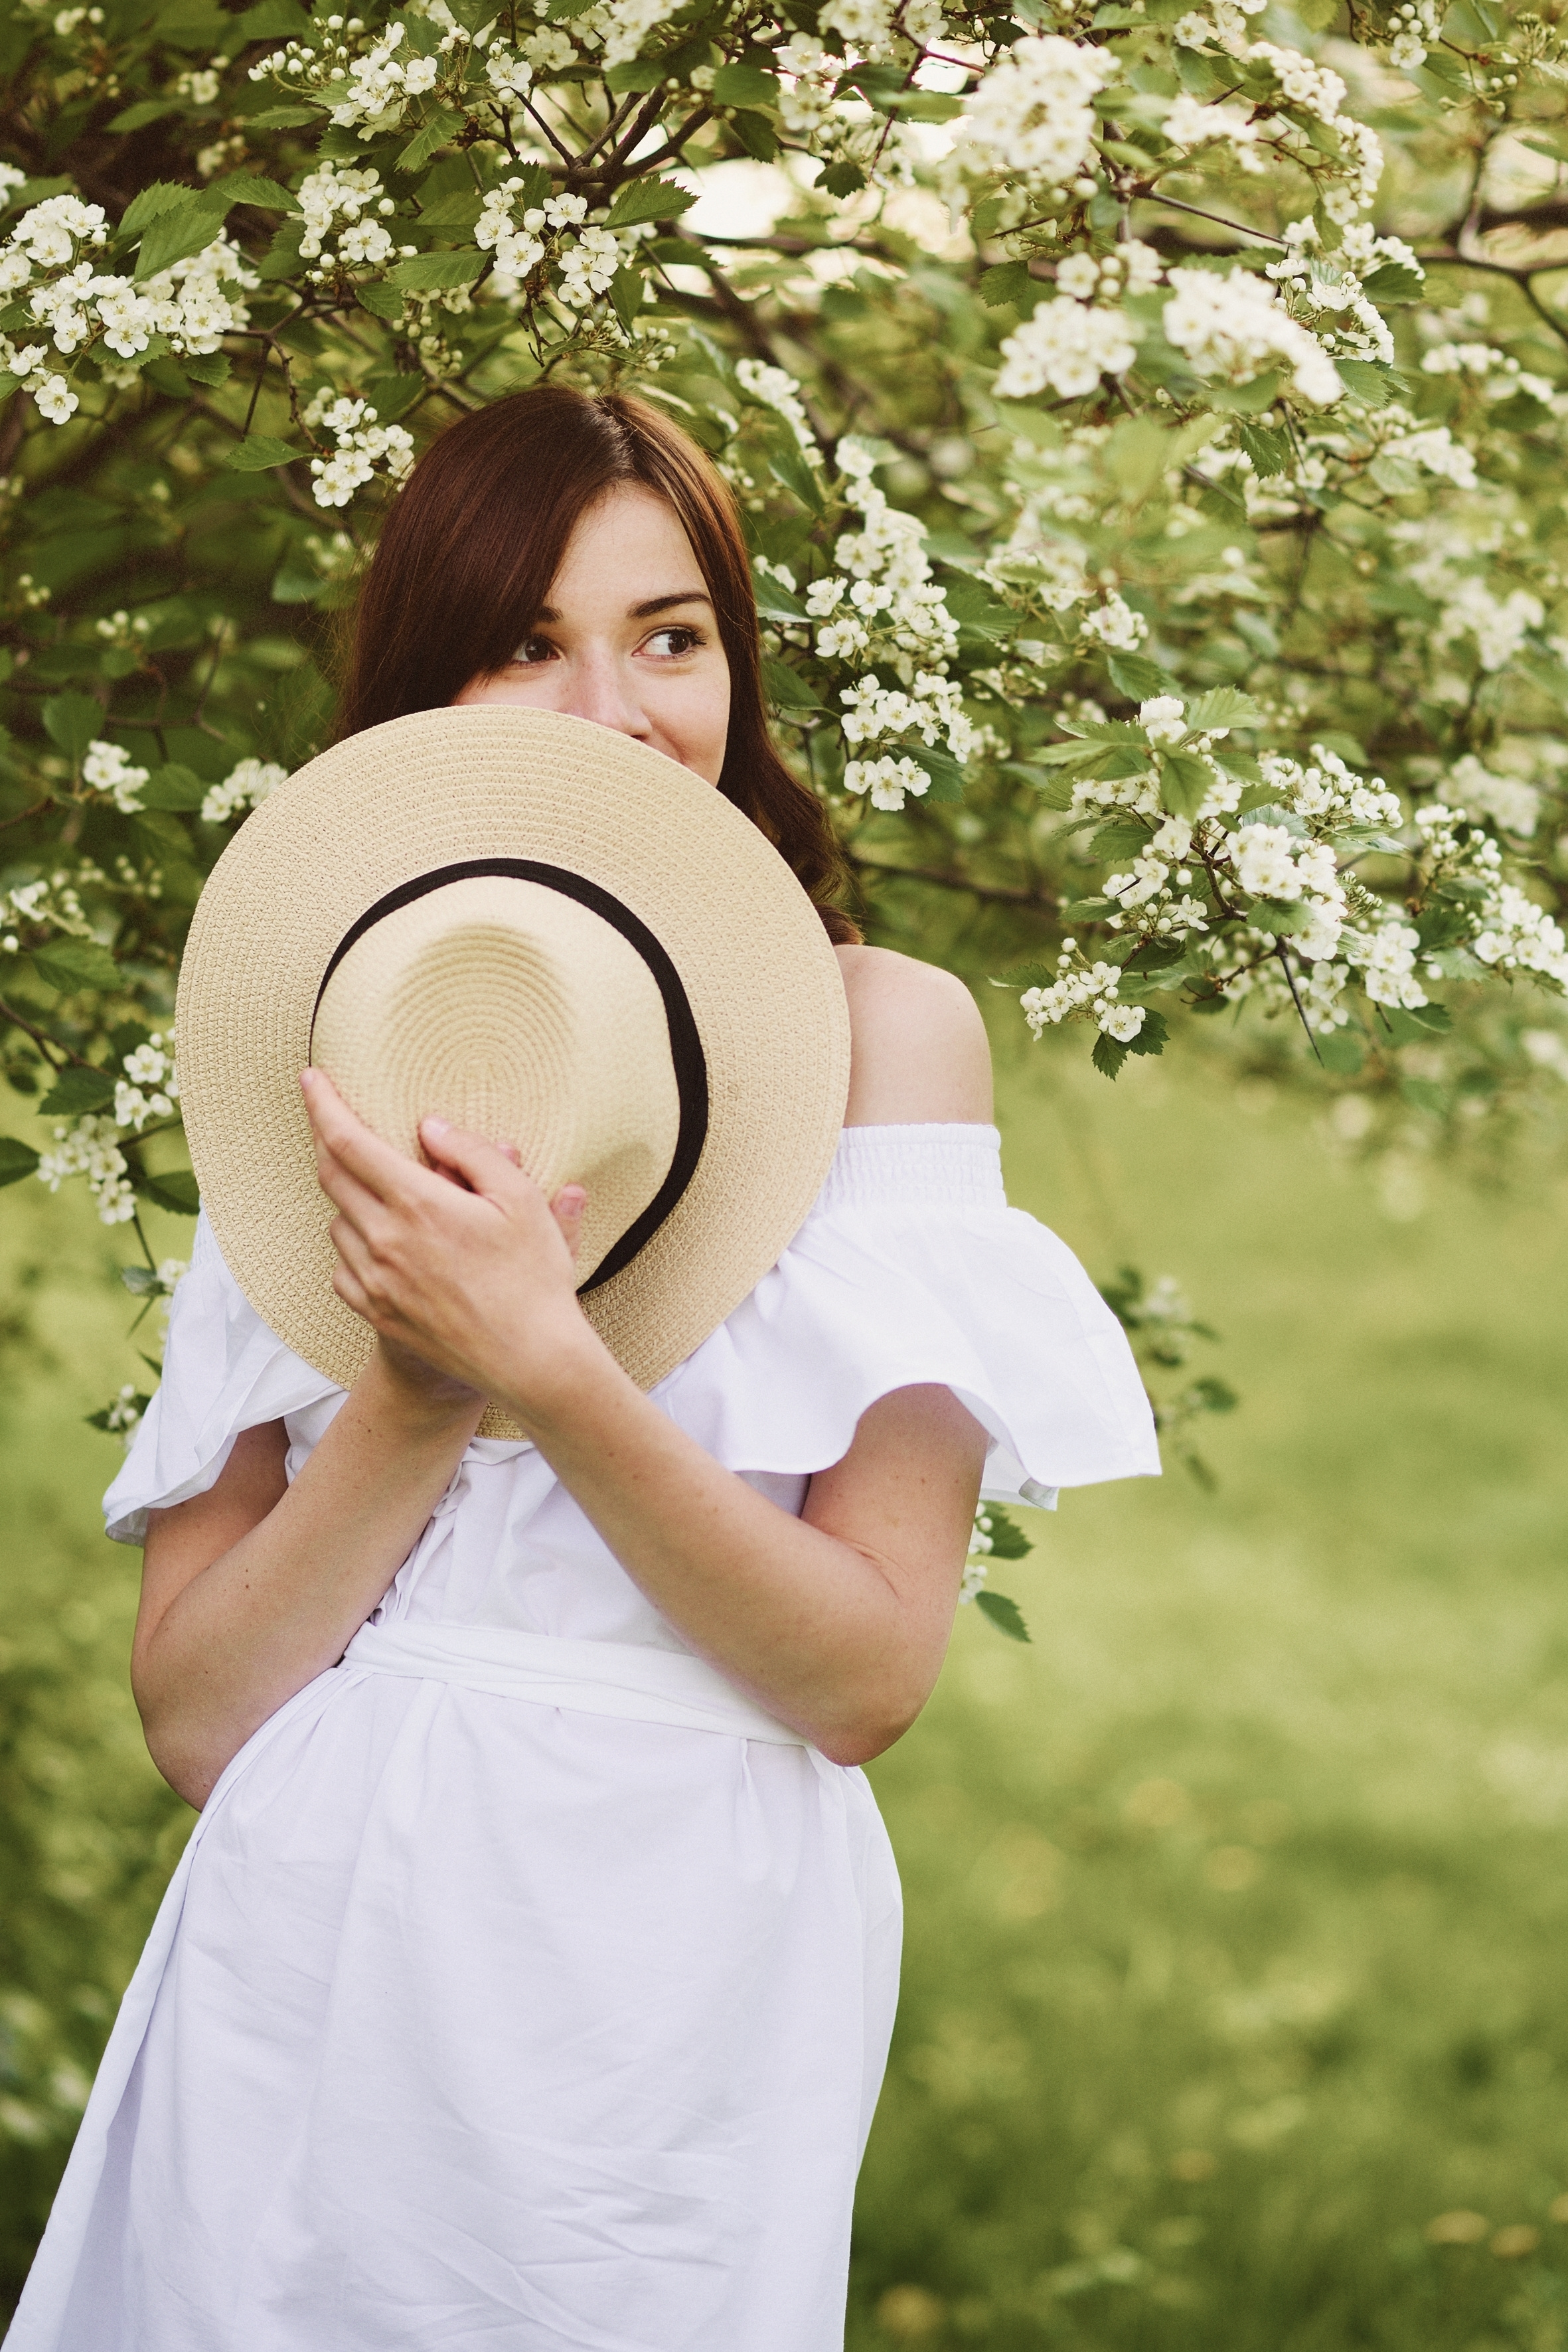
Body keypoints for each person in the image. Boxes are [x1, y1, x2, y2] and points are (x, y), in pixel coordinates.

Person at [7, 386, 1158, 2352]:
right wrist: (418, 1385)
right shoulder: (328, 1028)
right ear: (425, 683)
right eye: (527, 641)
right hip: (317, 1939)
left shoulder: (878, 1037)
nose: (615, 712)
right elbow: (202, 1728)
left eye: (671, 636)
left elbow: (863, 1678)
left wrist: (555, 1371)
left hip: (671, 1960)